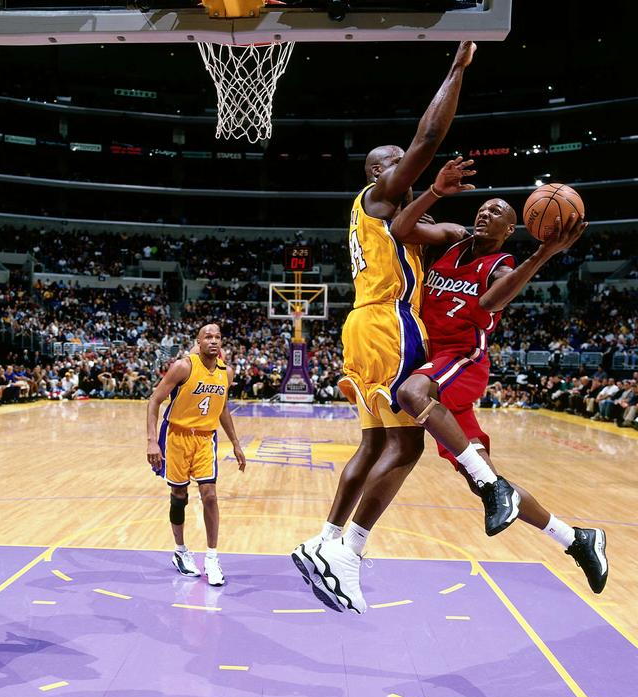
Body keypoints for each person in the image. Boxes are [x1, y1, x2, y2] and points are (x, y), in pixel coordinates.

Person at [292, 41, 509, 615]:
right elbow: (428, 141)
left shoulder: (398, 220)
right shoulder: (381, 196)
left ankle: (325, 539)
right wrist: (458, 68)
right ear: (376, 173)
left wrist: (486, 232)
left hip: (362, 328)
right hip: (390, 324)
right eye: (391, 162)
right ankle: (348, 555)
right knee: (408, 443)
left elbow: (452, 235)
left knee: (372, 444)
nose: (402, 168)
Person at [386, 158, 606, 594]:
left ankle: (495, 487)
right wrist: (434, 191)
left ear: (511, 229)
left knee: (412, 391)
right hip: (438, 370)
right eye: (482, 209)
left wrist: (543, 254)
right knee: (480, 477)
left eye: (498, 213)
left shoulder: (503, 267)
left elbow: (489, 305)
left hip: (461, 362)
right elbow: (400, 230)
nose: (485, 214)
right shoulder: (452, 238)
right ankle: (577, 539)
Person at [146, 324, 245, 586]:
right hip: (176, 436)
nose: (213, 341)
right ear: (198, 342)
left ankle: (212, 557)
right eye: (208, 337)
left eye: (218, 337)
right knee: (179, 496)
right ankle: (180, 551)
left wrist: (235, 443)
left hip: (205, 439)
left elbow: (222, 407)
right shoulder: (183, 367)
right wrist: (151, 442)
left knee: (209, 495)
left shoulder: (227, 372)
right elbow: (155, 400)